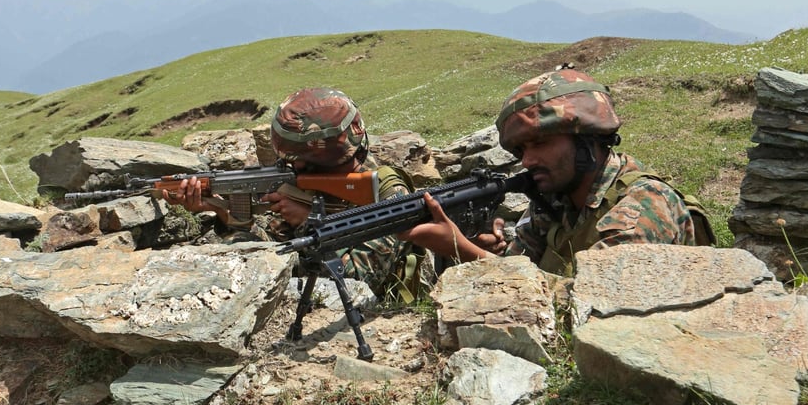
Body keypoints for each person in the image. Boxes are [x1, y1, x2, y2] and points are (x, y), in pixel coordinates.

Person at [400, 66, 696, 276]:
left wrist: (461, 249)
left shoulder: (641, 208)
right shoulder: (557, 200)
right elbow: (520, 269)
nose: (527, 161)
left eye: (540, 143)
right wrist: (481, 249)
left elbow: (589, 307)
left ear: (587, 138)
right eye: (520, 151)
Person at [165, 87, 430, 302]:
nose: (294, 168)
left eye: (301, 164)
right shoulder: (300, 184)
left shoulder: (388, 193)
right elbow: (274, 247)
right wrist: (228, 215)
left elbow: (357, 278)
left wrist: (308, 222)